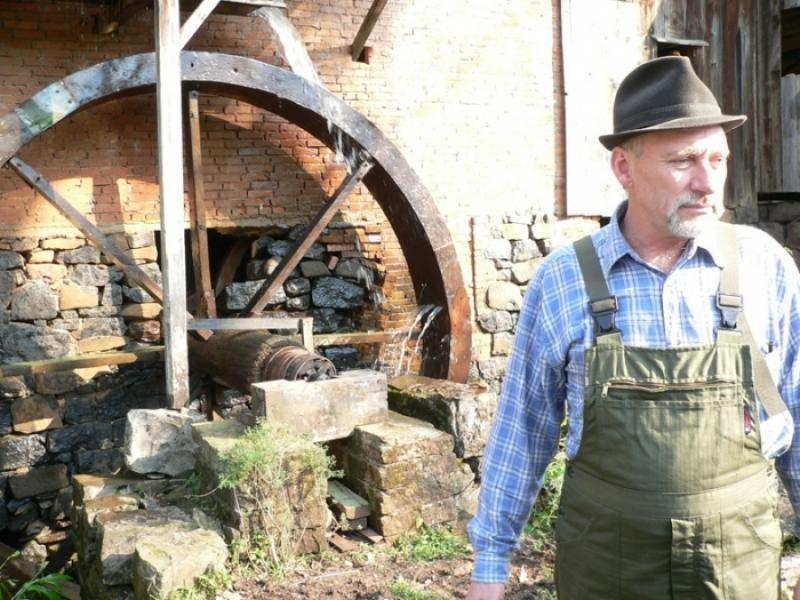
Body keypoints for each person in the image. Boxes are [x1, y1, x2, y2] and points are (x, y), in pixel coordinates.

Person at [466, 55, 800, 599]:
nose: (707, 182)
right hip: (608, 564)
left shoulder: (765, 266)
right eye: (683, 161)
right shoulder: (565, 280)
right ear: (624, 168)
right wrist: (490, 564)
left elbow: (799, 408)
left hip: (736, 564)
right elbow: (522, 431)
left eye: (718, 159)